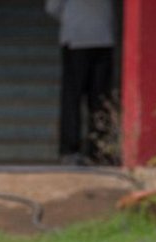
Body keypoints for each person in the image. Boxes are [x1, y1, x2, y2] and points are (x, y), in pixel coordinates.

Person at [45, 0, 115, 165]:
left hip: (76, 38)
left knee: (71, 99)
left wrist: (73, 18)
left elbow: (52, 8)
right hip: (103, 37)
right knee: (100, 100)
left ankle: (70, 150)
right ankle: (100, 150)